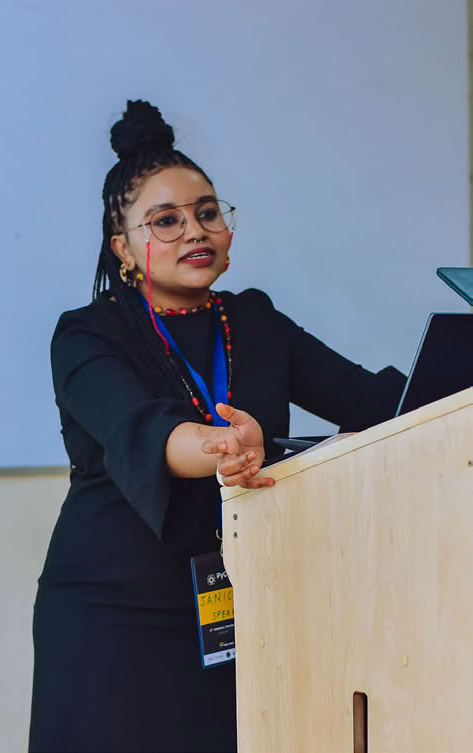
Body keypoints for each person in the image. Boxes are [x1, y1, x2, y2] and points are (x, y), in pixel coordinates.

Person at [28, 100, 406, 753]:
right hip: (113, 617)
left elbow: (378, 401)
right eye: (166, 221)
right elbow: (140, 428)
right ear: (122, 248)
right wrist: (220, 444)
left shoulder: (255, 322)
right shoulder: (88, 333)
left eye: (208, 212)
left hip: (241, 612)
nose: (195, 230)